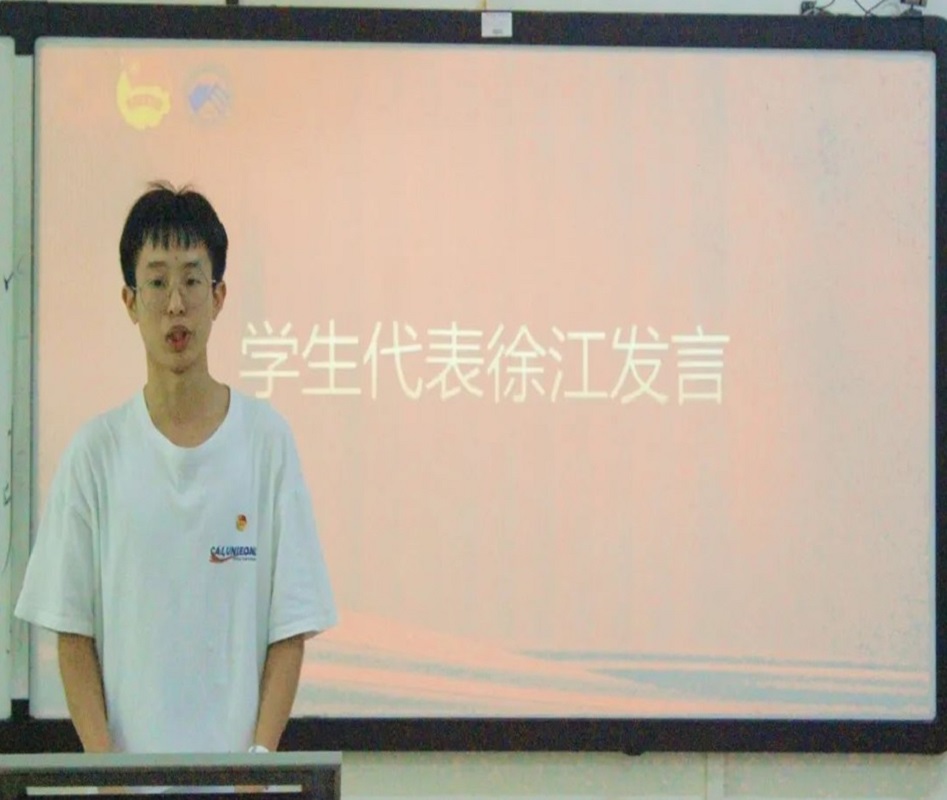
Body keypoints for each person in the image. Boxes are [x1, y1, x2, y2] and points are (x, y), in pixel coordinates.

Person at [15, 181, 337, 760]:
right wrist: (108, 774)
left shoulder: (267, 443)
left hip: (241, 782)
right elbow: (72, 632)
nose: (175, 305)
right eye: (157, 282)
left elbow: (290, 628)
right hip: (126, 783)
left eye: (192, 280)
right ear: (129, 301)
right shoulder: (95, 453)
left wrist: (256, 765)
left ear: (219, 296)